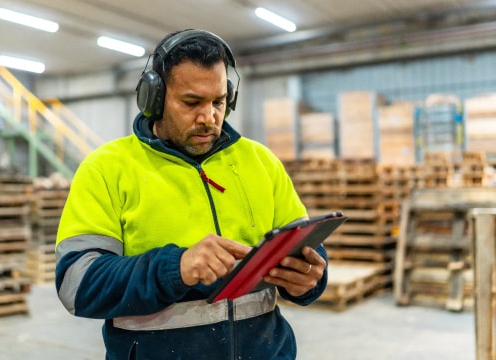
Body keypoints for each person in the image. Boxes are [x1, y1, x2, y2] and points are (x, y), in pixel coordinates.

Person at [55, 29, 328, 360]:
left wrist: (311, 277)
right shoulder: (107, 169)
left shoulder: (261, 162)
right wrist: (176, 267)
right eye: (191, 102)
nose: (209, 118)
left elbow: (304, 246)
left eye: (218, 101)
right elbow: (77, 284)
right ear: (153, 97)